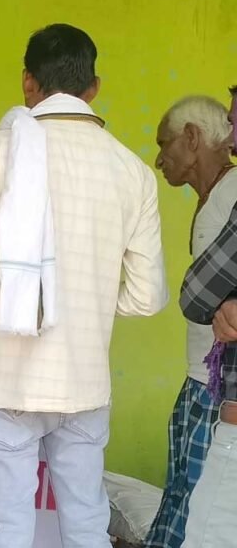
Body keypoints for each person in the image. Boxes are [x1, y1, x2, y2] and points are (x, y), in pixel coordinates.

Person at [0, 23, 167, 547]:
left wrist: (7, 293)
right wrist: (86, 295)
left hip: (8, 377)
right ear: (94, 87)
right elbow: (145, 297)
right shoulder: (132, 171)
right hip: (85, 380)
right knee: (86, 521)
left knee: (8, 525)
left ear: (28, 81)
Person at [145, 95, 236, 548]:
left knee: (196, 505)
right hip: (204, 378)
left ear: (193, 138)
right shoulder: (218, 196)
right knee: (183, 496)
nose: (160, 159)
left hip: (218, 387)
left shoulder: (232, 193)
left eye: (165, 144)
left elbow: (199, 297)